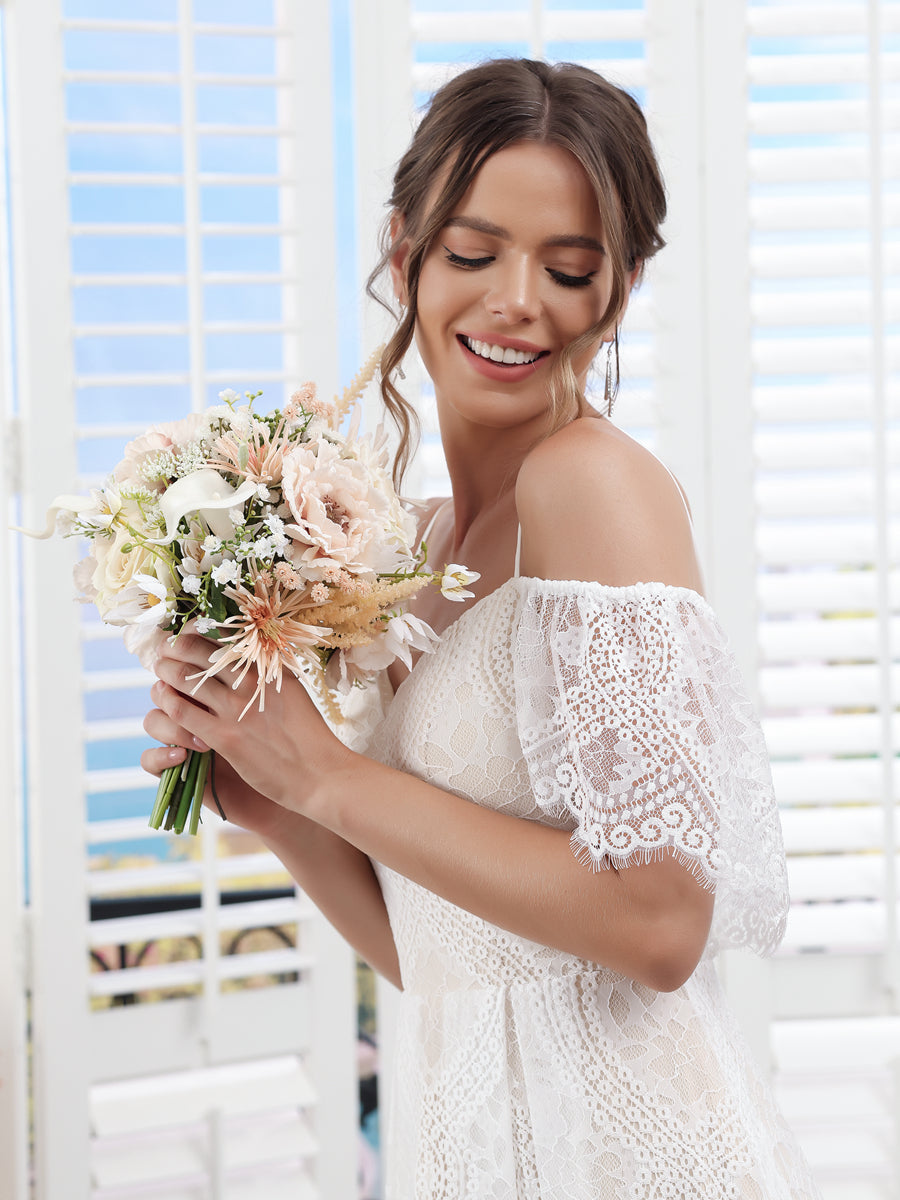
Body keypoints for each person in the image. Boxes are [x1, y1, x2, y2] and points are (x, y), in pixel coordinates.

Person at [143, 58, 822, 1198]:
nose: (518, 300)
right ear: (403, 253)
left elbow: (660, 923)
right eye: (471, 253)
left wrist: (328, 781)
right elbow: (450, 960)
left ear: (622, 286)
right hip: (472, 1148)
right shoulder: (413, 546)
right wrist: (275, 805)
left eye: (568, 267)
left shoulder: (591, 488)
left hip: (627, 1161)